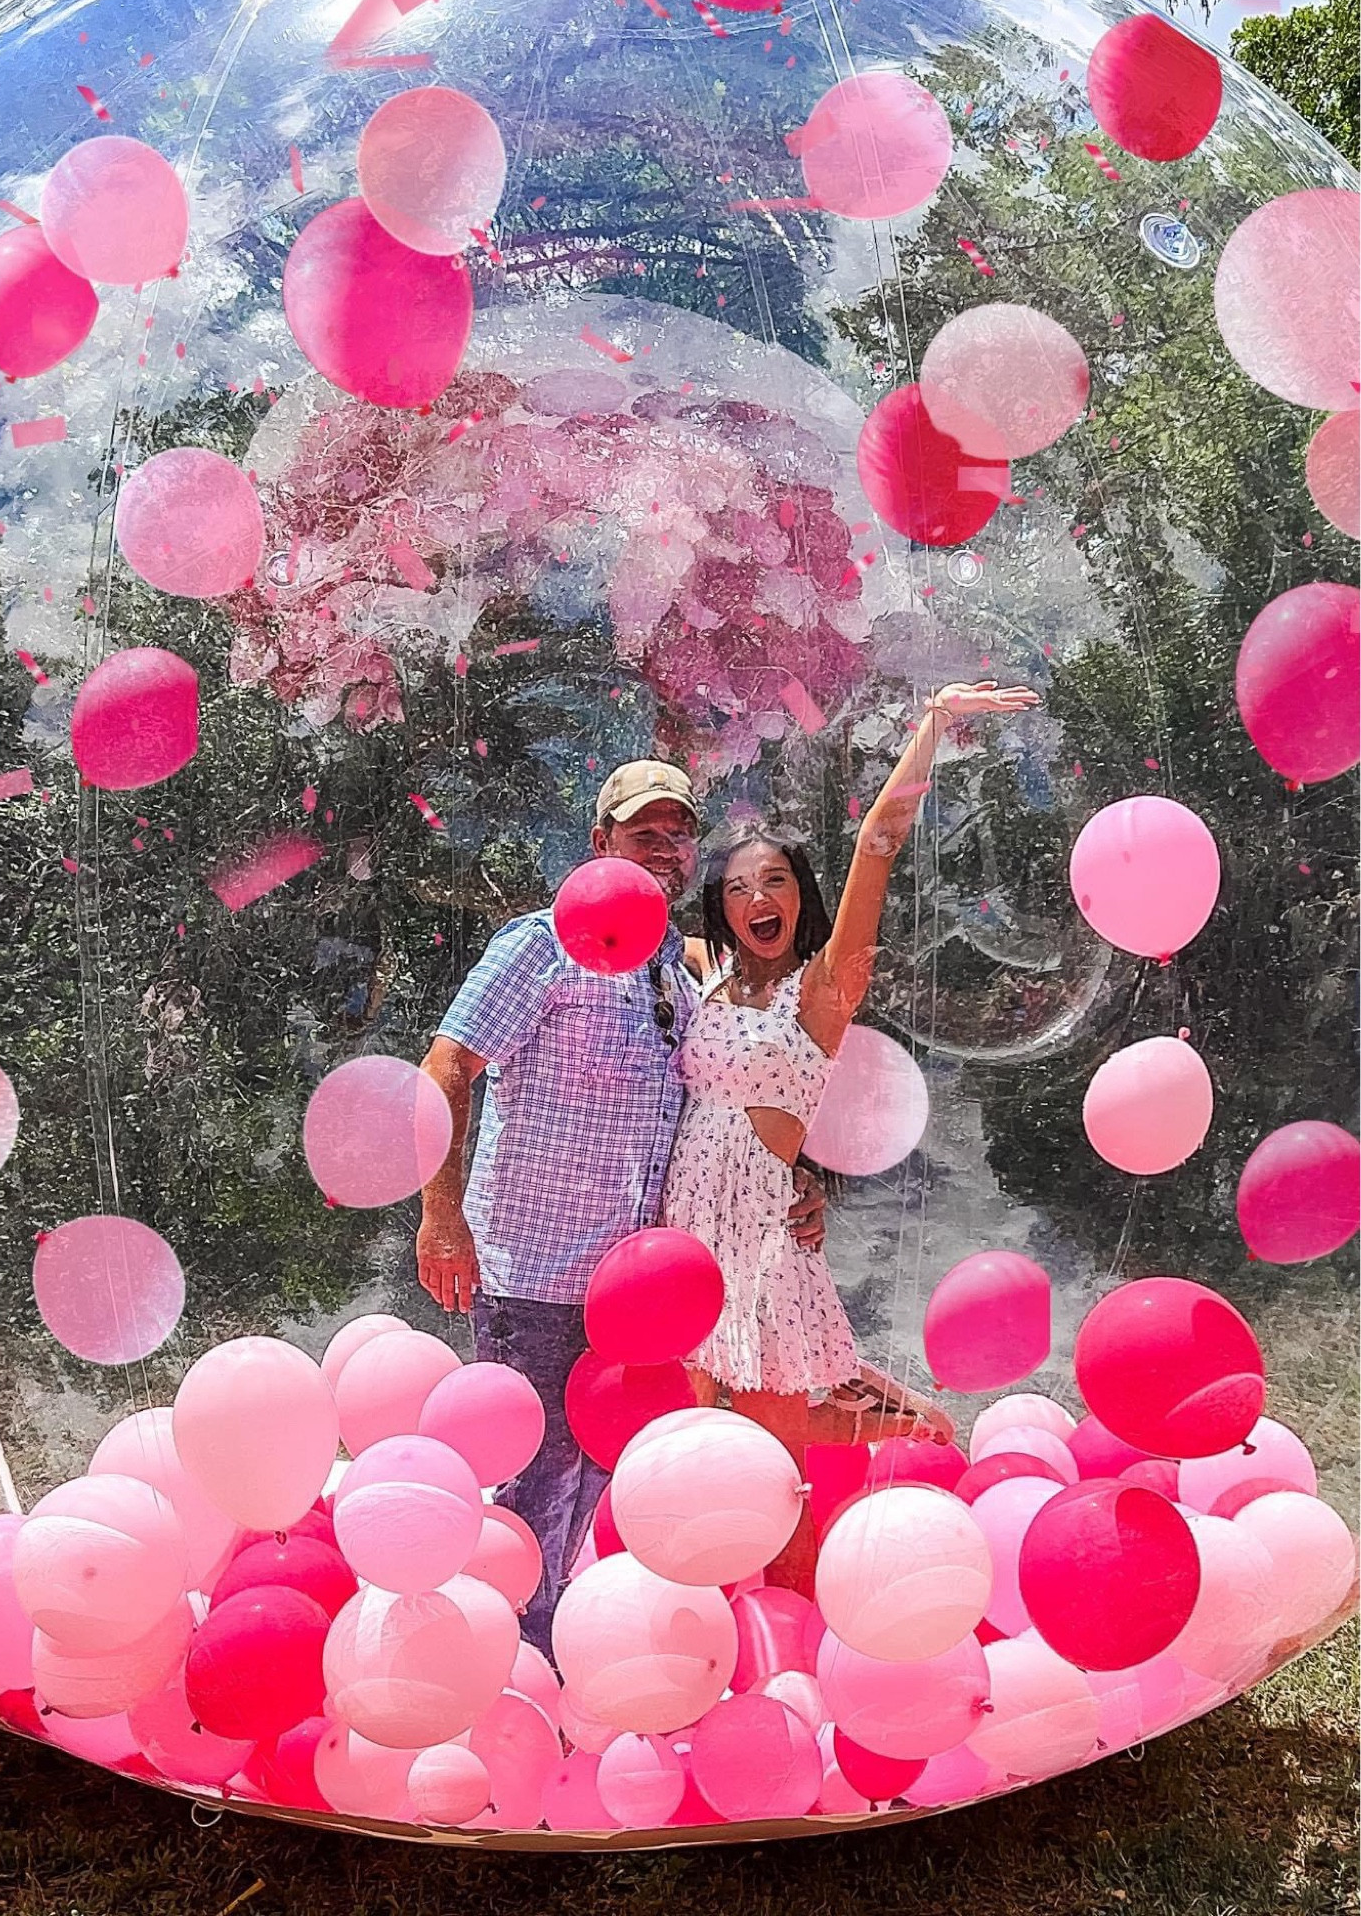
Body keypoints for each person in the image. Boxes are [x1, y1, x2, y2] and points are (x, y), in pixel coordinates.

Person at [415, 758, 827, 1653]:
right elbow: (447, 1070)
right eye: (646, 833)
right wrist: (441, 1217)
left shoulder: (678, 986)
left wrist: (793, 1179)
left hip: (635, 1301)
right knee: (531, 1485)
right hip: (534, 1274)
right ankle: (499, 1667)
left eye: (680, 835)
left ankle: (555, 1660)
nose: (667, 849)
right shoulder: (541, 944)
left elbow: (716, 1117)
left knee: (598, 1476)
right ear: (600, 842)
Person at [662, 679, 1040, 1595]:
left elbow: (878, 845)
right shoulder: (706, 973)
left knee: (767, 1471)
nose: (758, 896)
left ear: (800, 898)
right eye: (740, 885)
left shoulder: (825, 991)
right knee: (703, 1438)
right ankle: (882, 1410)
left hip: (758, 1242)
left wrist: (933, 726)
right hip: (684, 1236)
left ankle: (792, 1645)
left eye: (777, 881)